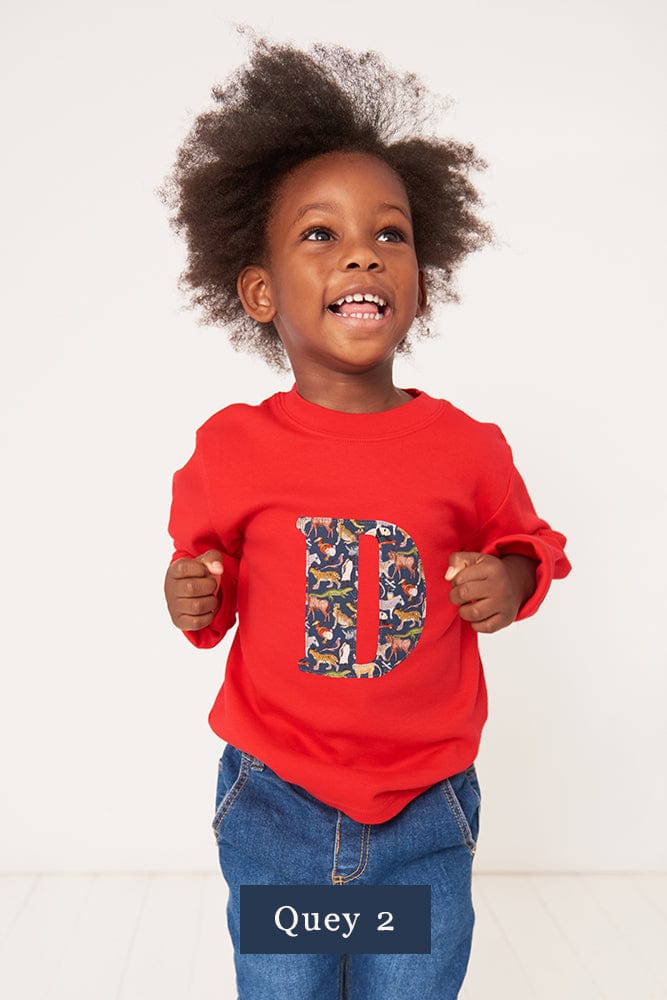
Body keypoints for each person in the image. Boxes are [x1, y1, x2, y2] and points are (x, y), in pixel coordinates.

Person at [162, 36, 571, 1000]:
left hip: (426, 812)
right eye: (320, 234)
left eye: (390, 234)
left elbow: (533, 546)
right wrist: (189, 597)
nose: (361, 251)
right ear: (259, 292)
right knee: (284, 990)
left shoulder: (467, 448)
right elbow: (208, 599)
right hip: (275, 804)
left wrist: (508, 580)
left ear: (419, 276)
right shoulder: (229, 449)